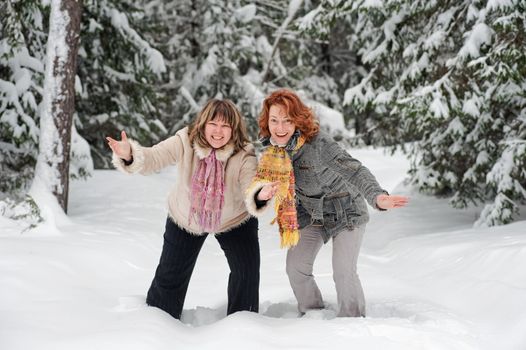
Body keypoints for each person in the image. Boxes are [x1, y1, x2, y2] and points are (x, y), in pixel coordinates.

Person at [245, 89, 408, 317]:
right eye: (274, 120)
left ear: (298, 120)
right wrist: (261, 194)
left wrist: (377, 197)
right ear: (267, 121)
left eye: (287, 121)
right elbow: (260, 182)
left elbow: (354, 170)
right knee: (296, 268)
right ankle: (313, 314)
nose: (280, 128)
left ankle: (352, 320)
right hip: (312, 215)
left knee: (343, 271)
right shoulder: (273, 153)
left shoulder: (318, 144)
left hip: (346, 211)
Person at [106, 99, 260, 320]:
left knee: (247, 272)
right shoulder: (185, 141)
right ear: (203, 123)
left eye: (225, 126)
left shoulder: (244, 152)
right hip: (187, 215)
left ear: (234, 129)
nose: (218, 131)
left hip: (233, 218)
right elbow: (153, 157)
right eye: (213, 124)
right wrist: (129, 154)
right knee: (170, 275)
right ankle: (156, 324)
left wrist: (259, 193)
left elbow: (250, 183)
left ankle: (244, 324)